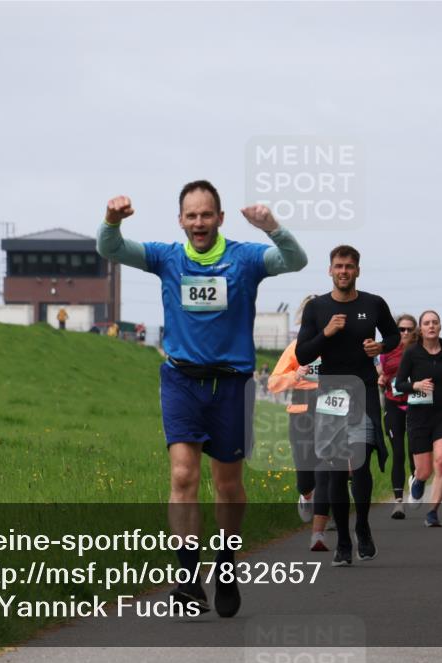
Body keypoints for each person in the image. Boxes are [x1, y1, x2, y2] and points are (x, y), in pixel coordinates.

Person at [97, 180, 307, 617]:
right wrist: (112, 220)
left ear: (220, 218)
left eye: (206, 214)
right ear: (180, 220)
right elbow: (112, 249)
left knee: (228, 485)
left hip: (231, 385)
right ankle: (188, 578)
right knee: (182, 478)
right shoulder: (167, 257)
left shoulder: (245, 259)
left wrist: (272, 227)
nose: (198, 223)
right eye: (190, 215)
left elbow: (295, 260)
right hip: (182, 381)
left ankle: (226, 566)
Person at [296, 245, 399, 566]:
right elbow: (302, 355)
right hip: (331, 393)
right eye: (338, 266)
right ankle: (342, 540)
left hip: (364, 389)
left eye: (349, 266)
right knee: (337, 471)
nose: (344, 271)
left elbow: (394, 336)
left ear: (357, 270)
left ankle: (363, 527)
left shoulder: (373, 303)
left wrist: (380, 346)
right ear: (330, 270)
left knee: (361, 462)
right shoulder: (317, 308)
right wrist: (326, 333)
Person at [268, 296, 331, 552]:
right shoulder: (295, 347)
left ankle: (318, 534)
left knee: (325, 470)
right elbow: (273, 383)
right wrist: (296, 375)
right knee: (305, 475)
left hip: (331, 411)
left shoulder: (337, 345)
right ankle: (306, 494)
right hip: (301, 412)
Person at [394, 310, 442, 527]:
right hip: (418, 416)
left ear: (440, 327)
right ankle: (418, 480)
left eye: (435, 322)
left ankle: (432, 512)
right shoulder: (411, 353)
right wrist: (415, 385)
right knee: (425, 470)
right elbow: (399, 384)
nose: (431, 326)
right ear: (421, 329)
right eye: (427, 323)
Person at [375, 314, 417, 519]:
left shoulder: (421, 350)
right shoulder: (388, 350)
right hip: (393, 406)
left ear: (415, 331)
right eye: (402, 329)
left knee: (414, 454)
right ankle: (398, 502)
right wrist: (380, 376)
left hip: (417, 406)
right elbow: (378, 368)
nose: (405, 333)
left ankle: (416, 478)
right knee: (398, 453)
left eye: (410, 329)